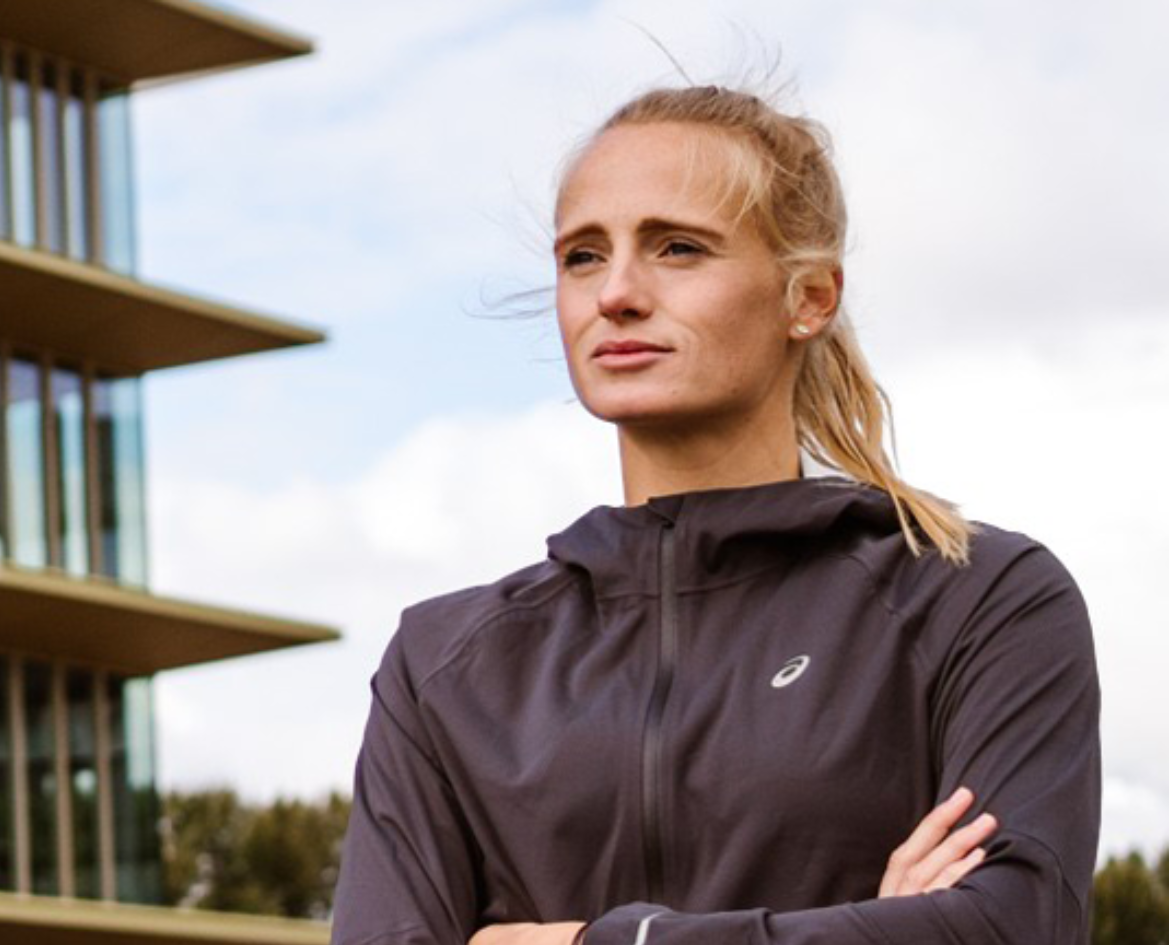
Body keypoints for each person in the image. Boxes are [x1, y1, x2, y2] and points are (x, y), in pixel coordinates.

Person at [329, 85, 1100, 945]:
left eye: (678, 248)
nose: (616, 292)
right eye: (583, 256)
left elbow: (1009, 929)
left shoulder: (977, 600)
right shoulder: (444, 665)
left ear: (809, 297)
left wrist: (601, 942)